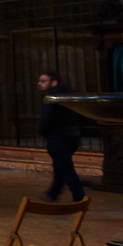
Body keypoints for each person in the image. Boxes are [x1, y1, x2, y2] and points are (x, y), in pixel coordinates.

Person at [39, 72, 85, 202]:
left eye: (43, 81)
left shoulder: (52, 98)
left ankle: (80, 198)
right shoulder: (70, 96)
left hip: (58, 138)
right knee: (60, 167)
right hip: (73, 137)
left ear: (54, 82)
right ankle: (53, 193)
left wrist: (43, 132)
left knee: (67, 170)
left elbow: (47, 119)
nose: (39, 84)